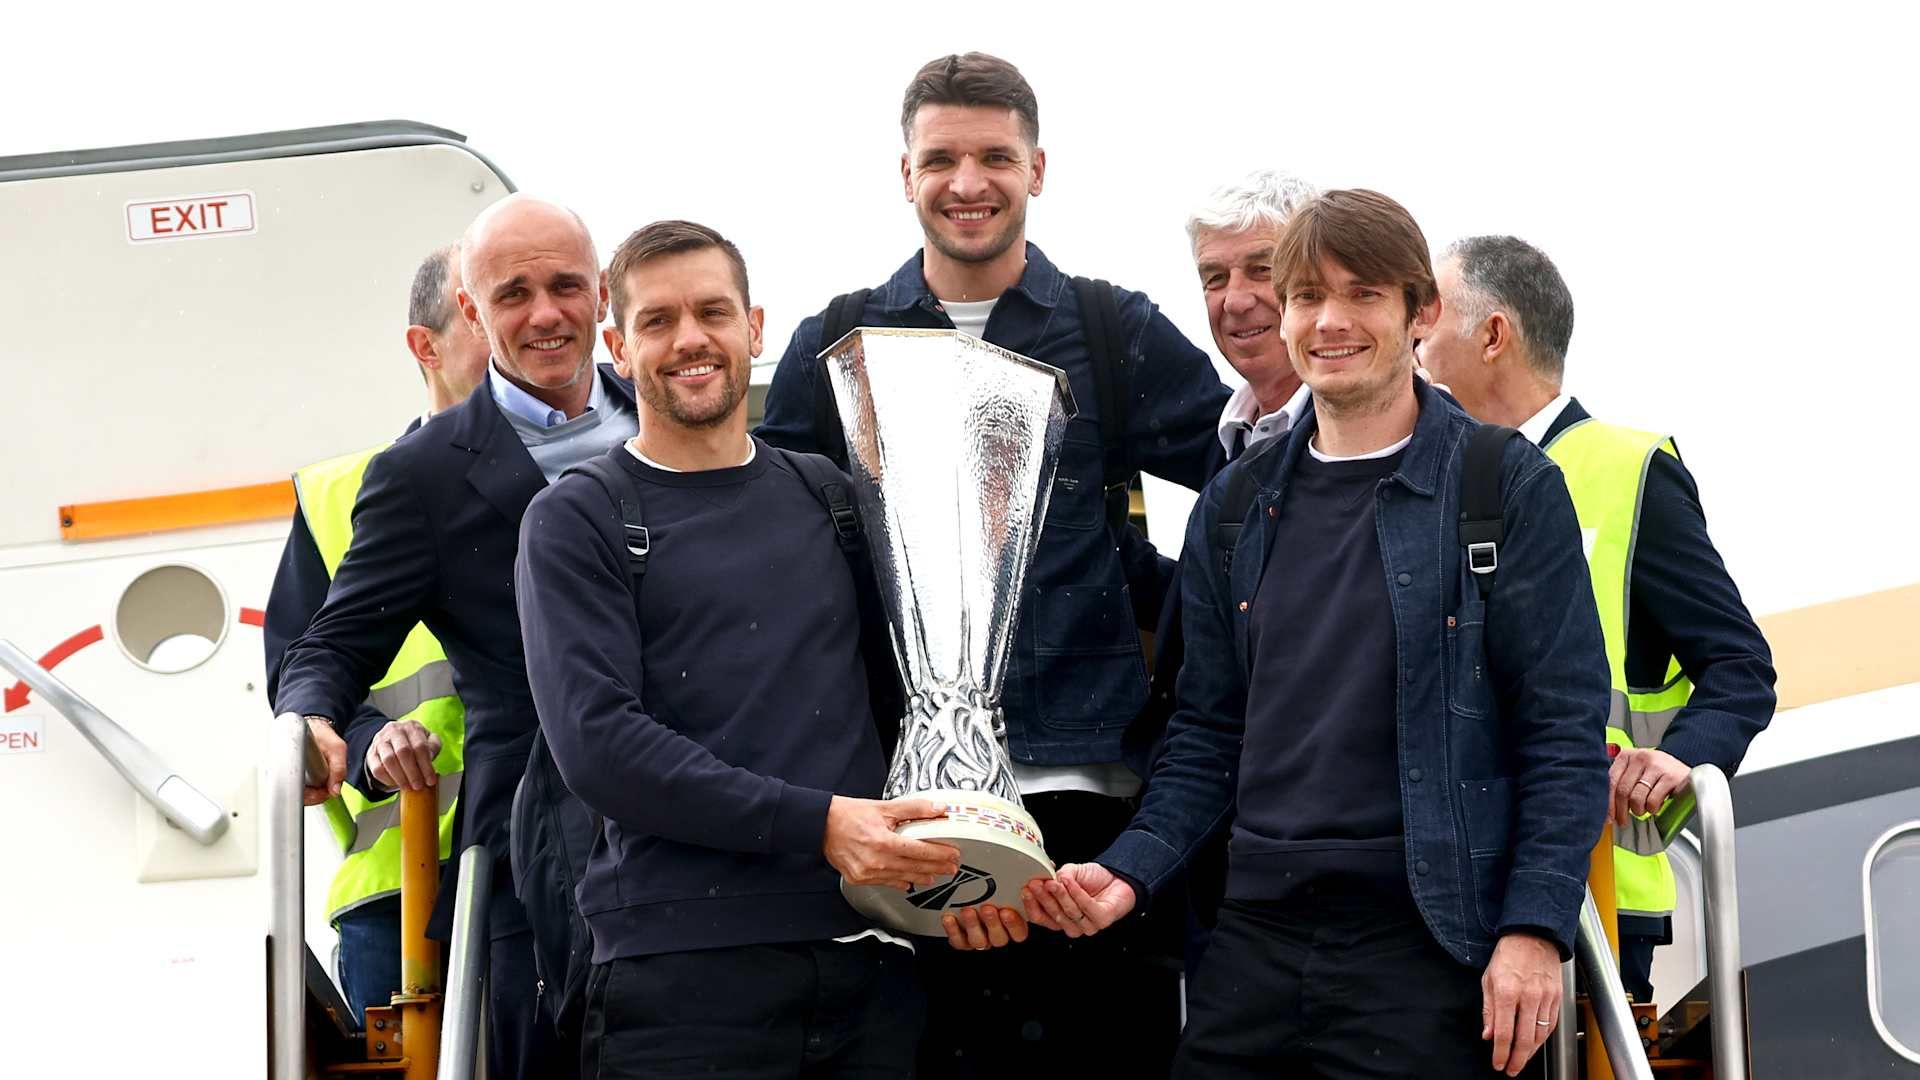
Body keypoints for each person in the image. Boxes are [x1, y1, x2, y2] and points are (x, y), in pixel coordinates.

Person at [1028, 189, 1612, 1078]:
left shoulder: (1506, 486)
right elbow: (1208, 734)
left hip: (1428, 943)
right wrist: (1131, 868)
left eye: (1362, 294)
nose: (1329, 320)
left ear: (1421, 312)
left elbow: (1561, 735)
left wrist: (1533, 930)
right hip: (1253, 942)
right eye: (1306, 296)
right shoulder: (1234, 506)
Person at [758, 51, 1228, 1076]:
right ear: (905, 174)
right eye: (940, 159)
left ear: (1037, 169)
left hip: (1090, 803)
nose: (967, 183)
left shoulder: (1114, 329)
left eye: (994, 158)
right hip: (902, 810)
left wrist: (1175, 615)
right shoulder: (833, 340)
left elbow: (1250, 493)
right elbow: (760, 540)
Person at [517, 218, 946, 1080]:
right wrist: (820, 824)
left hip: (870, 966)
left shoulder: (829, 496)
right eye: (657, 320)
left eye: (713, 312)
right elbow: (599, 746)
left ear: (753, 328)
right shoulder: (577, 517)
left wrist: (959, 861)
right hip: (679, 982)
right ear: (617, 347)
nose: (690, 339)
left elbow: (910, 705)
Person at [276, 195, 638, 1079]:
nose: (545, 313)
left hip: (717, 837)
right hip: (538, 858)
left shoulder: (676, 415)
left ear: (601, 293)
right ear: (471, 311)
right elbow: (332, 642)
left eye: (565, 286)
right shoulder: (421, 478)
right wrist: (313, 720)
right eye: (513, 294)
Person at [1419, 234, 1776, 1002]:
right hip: (1446, 882)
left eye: (1432, 315)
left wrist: (1681, 758)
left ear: (1493, 335)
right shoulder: (1427, 479)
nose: (1415, 336)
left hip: (1594, 893)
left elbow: (1740, 667)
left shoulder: (1629, 472)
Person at [263, 245, 487, 1025]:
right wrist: (369, 746)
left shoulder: (578, 472)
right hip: (398, 883)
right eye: (482, 313)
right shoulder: (336, 495)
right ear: (427, 346)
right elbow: (300, 675)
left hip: (556, 869)